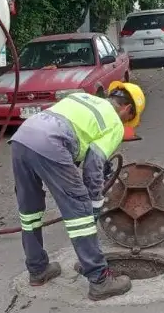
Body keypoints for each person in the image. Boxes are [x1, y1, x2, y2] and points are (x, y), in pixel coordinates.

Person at [10, 81, 146, 301]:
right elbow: (93, 166)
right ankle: (100, 280)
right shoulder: (114, 124)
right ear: (127, 109)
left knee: (30, 210)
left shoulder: (82, 98)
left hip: (22, 137)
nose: (126, 122)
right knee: (80, 212)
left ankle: (37, 270)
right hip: (51, 143)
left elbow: (74, 136)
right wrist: (94, 202)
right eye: (129, 119)